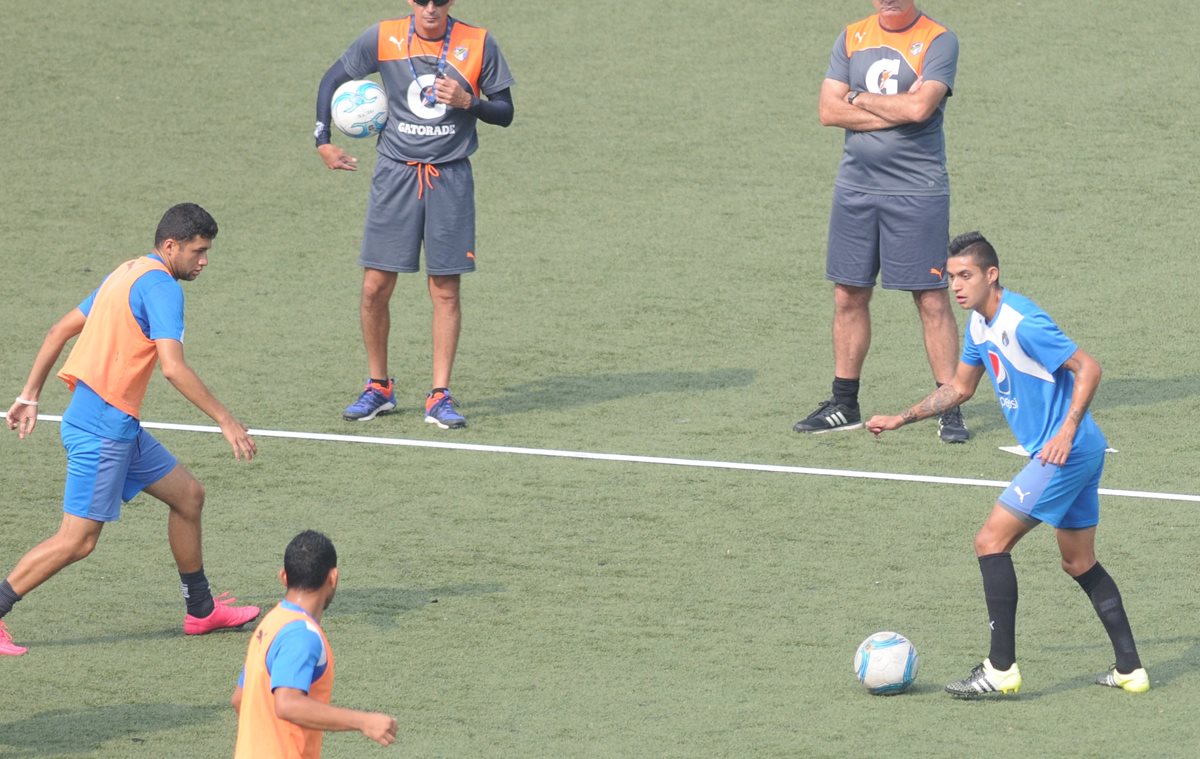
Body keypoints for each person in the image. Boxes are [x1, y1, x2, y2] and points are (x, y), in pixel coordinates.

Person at [866, 231, 1149, 697]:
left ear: (991, 274)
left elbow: (1089, 368)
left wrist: (1065, 431)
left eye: (966, 275)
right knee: (1078, 561)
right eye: (951, 277)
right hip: (1081, 450)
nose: (956, 286)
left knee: (990, 541)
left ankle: (1000, 670)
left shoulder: (1021, 322)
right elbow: (960, 387)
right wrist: (902, 418)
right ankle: (1130, 670)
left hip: (1065, 452)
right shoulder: (979, 325)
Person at [0, 203, 260, 657]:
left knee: (188, 496)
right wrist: (225, 419)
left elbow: (58, 330)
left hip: (115, 424)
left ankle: (201, 609)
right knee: (77, 541)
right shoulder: (162, 288)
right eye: (198, 251)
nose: (204, 261)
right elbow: (173, 368)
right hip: (102, 431)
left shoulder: (128, 271)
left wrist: (30, 394)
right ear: (171, 246)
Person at [314, 0, 516, 428]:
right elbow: (332, 78)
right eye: (422, 0)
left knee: (445, 290)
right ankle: (378, 387)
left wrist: (469, 101)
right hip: (395, 175)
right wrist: (323, 139)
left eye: (439, 1)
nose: (430, 9)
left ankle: (439, 395)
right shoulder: (383, 36)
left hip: (450, 177)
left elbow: (505, 112)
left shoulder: (478, 42)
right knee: (374, 287)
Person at [795, 0, 967, 443]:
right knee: (848, 293)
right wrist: (893, 108)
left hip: (917, 191)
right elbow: (828, 111)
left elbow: (920, 109)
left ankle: (949, 407)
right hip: (855, 189)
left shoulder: (938, 39)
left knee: (931, 299)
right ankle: (844, 404)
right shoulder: (852, 36)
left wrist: (856, 97)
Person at [233, 530, 398, 757]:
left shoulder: (269, 624)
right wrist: (363, 721)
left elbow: (240, 699)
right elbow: (287, 704)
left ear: (284, 577)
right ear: (333, 578)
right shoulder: (302, 634)